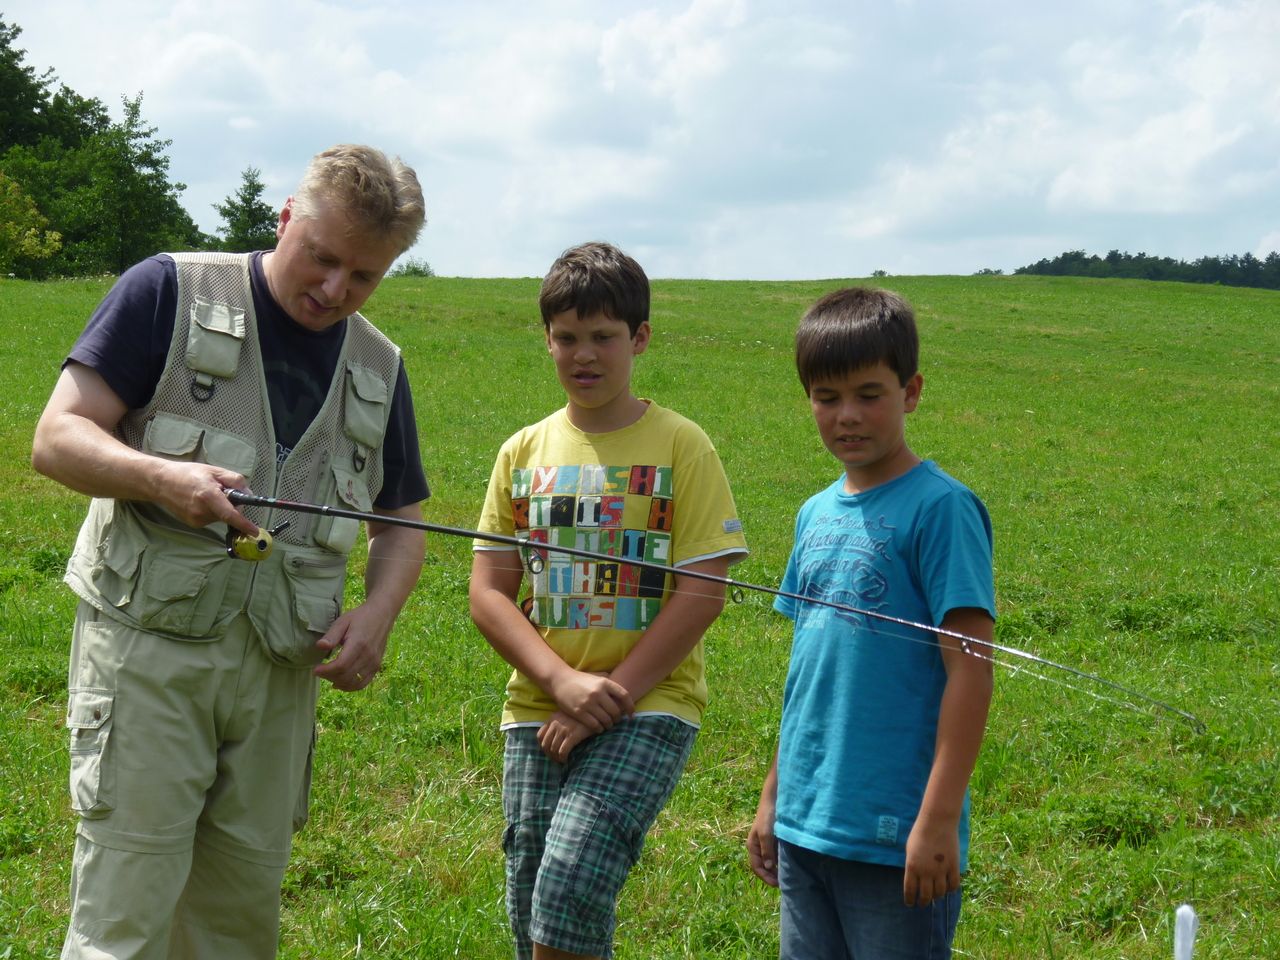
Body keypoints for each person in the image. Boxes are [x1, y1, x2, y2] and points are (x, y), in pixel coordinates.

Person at [31, 144, 430, 959]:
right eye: (321, 257)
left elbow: (403, 522)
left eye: (363, 276)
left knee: (236, 927)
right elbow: (57, 437)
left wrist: (379, 613)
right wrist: (160, 478)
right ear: (285, 219)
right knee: (124, 918)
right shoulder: (168, 291)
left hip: (281, 673)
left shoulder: (380, 367)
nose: (334, 290)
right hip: (148, 656)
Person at [469, 241, 749, 960]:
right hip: (538, 706)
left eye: (603, 336)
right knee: (530, 896)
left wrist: (607, 696)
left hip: (648, 702)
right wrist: (561, 683)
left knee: (571, 880)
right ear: (547, 340)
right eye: (567, 337)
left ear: (640, 338)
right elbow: (489, 594)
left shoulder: (682, 444)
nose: (583, 355)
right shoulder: (522, 451)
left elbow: (704, 590)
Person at [746, 287, 996, 960]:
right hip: (807, 825)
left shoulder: (942, 509)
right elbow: (808, 676)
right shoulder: (813, 513)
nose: (847, 415)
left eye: (868, 394)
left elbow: (971, 671)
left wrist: (937, 819)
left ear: (911, 392)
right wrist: (774, 798)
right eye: (827, 397)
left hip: (896, 835)